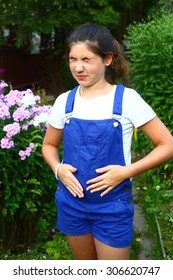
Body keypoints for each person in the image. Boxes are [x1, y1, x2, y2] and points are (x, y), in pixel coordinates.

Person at [42, 23, 173, 260]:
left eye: (87, 59)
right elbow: (49, 146)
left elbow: (168, 145)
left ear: (108, 59)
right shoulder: (64, 102)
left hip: (112, 207)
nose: (78, 67)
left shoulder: (127, 100)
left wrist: (125, 172)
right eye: (73, 59)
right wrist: (57, 168)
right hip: (72, 205)